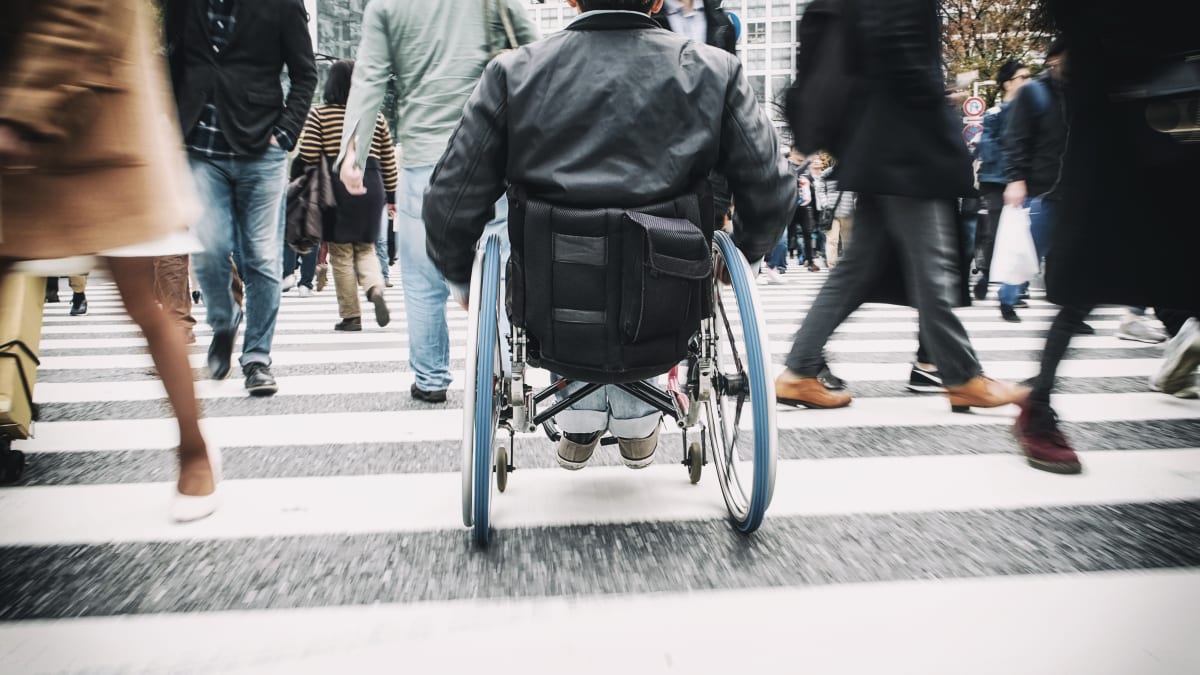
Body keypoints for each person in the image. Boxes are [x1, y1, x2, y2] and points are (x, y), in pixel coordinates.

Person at [423, 0, 794, 470]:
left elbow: (450, 199)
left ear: (572, 0)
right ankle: (638, 417)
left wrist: (460, 277)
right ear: (657, 1)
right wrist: (748, 254)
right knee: (656, 266)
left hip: (554, 307)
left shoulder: (512, 74)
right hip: (669, 301)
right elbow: (771, 186)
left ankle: (580, 414)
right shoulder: (714, 70)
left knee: (569, 264)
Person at [0, 0, 218, 521]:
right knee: (147, 306)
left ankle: (195, 452)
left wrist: (19, 115)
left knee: (144, 306)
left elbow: (80, 16)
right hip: (22, 128)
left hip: (96, 131)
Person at [776, 0, 1028, 414]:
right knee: (933, 269)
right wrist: (938, 113)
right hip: (908, 144)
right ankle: (963, 376)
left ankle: (800, 370)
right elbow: (902, 51)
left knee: (856, 271)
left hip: (880, 144)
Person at [1014, 0, 1200, 472]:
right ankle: (1037, 405)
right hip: (1117, 129)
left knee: (1177, 268)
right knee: (1086, 285)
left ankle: (1181, 349)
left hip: (1179, 123)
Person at [337, 0, 538, 405]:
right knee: (498, 270)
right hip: (490, 152)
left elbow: (369, 78)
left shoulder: (385, 7)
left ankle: (430, 378)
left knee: (422, 278)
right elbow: (534, 52)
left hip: (423, 162)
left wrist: (351, 155)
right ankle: (503, 371)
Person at [165, 0, 317, 397]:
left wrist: (285, 134)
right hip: (199, 145)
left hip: (260, 147)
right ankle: (224, 319)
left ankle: (257, 359)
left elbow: (305, 73)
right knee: (209, 244)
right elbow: (172, 61)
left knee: (262, 257)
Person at [294, 60, 396, 332]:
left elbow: (309, 155)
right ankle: (375, 288)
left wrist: (296, 180)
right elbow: (388, 160)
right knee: (366, 248)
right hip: (371, 183)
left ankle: (351, 316)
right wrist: (393, 195)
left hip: (336, 185)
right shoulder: (375, 116)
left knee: (340, 254)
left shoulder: (320, 114)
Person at [973, 59, 1030, 301]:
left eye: (1029, 77)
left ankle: (1017, 284)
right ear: (1007, 83)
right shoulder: (994, 115)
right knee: (996, 232)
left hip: (1025, 181)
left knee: (1024, 233)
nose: (1027, 83)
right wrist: (1011, 175)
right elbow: (989, 148)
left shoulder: (1031, 113)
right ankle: (986, 275)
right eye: (1022, 78)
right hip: (997, 181)